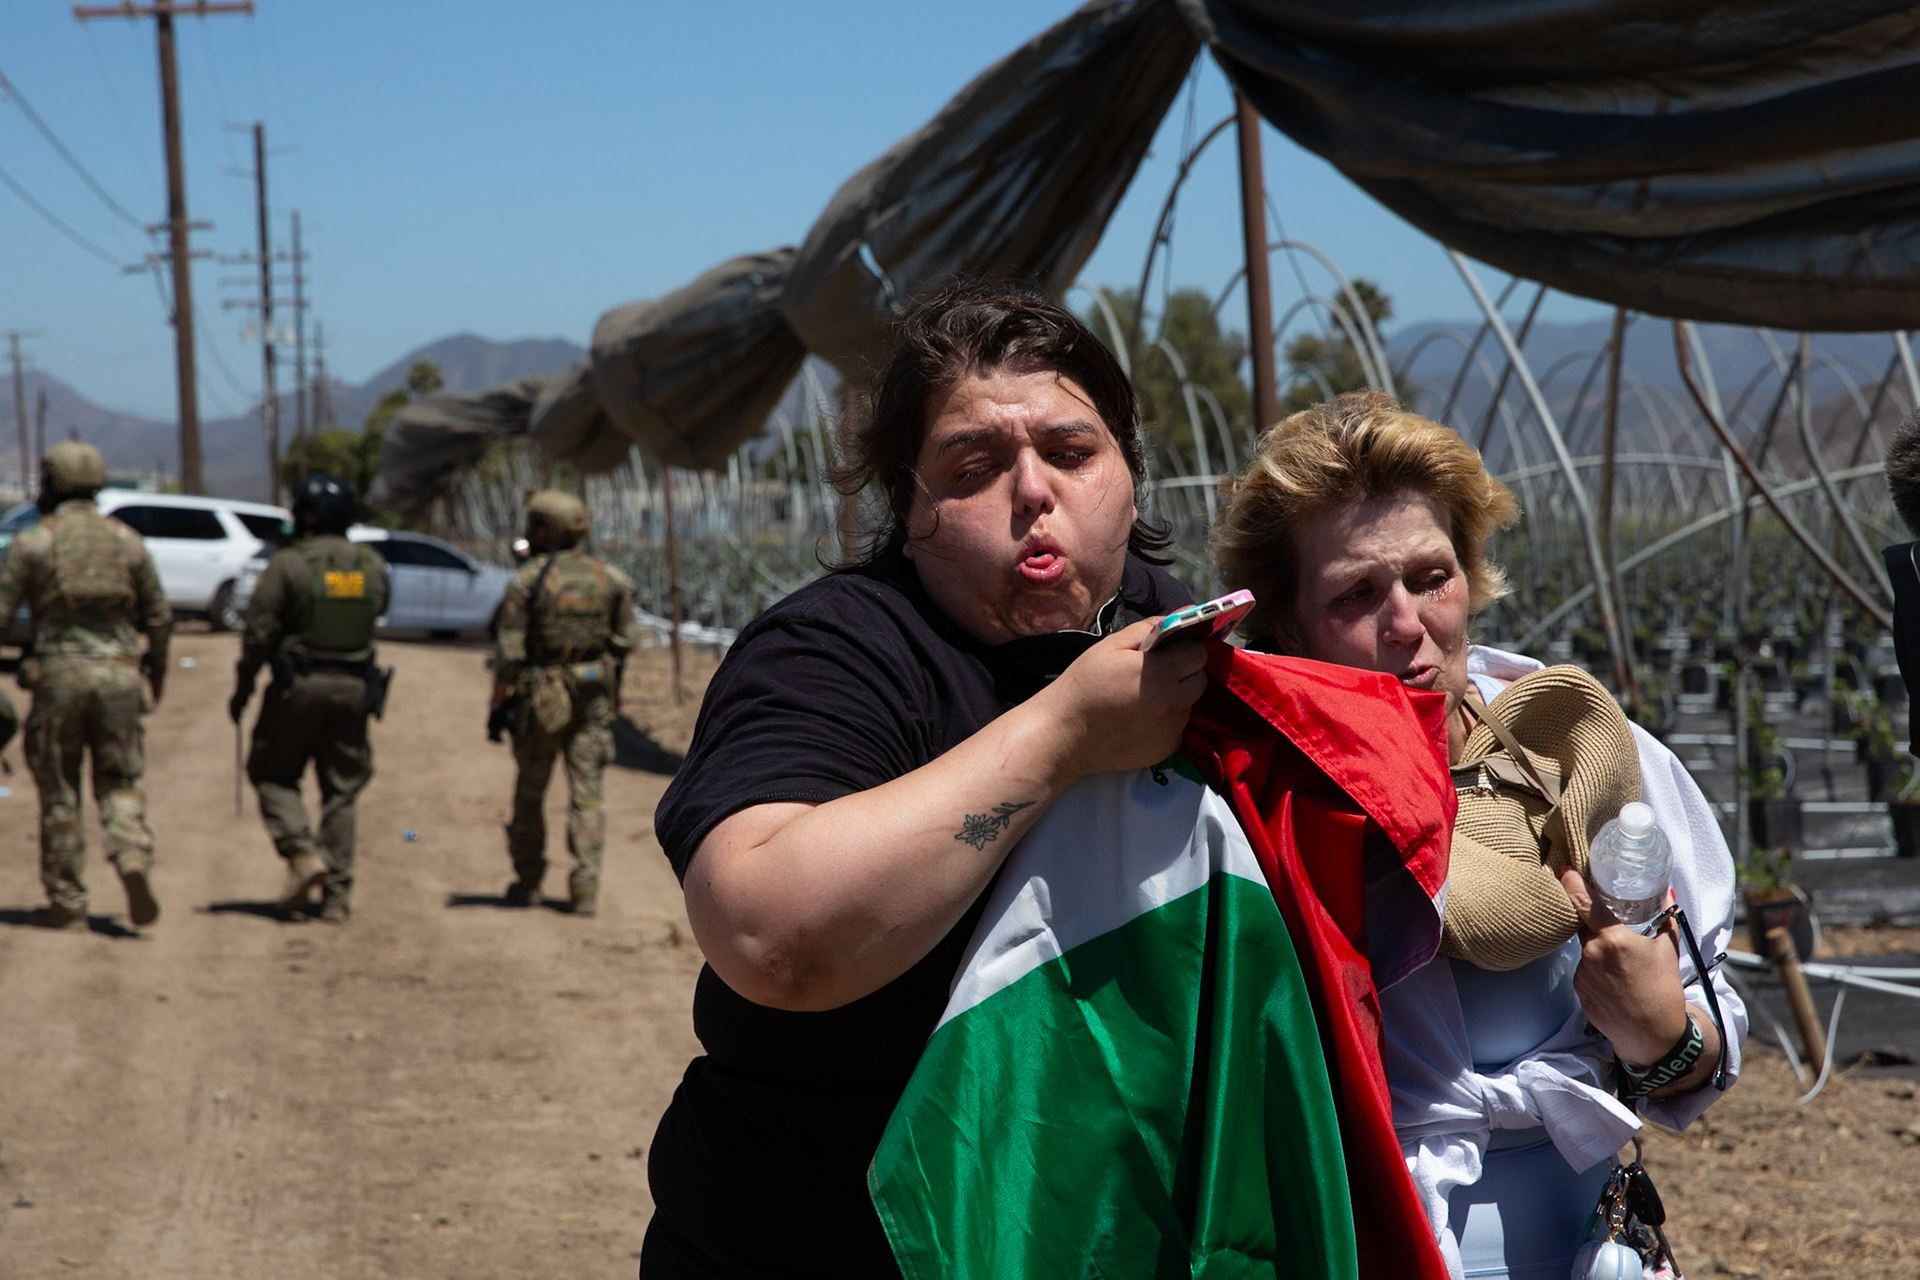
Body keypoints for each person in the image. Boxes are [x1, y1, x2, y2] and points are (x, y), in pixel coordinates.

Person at [642, 281, 1206, 1277]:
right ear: (909, 505)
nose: (1033, 491)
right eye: (974, 466)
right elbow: (773, 936)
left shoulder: (1195, 643)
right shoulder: (835, 652)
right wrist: (1065, 731)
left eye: (1072, 452)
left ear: (1129, 474)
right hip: (828, 1238)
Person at [1212, 392, 1747, 1280]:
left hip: (1582, 1241)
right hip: (1364, 1240)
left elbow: (1710, 1034)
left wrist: (1662, 1036)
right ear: (1287, 622)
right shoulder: (1253, 801)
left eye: (1432, 577)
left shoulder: (1579, 748)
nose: (1408, 625)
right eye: (1356, 593)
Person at [0, 441, 171, 929]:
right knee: (120, 782)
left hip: (58, 678)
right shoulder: (128, 542)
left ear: (51, 482)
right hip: (120, 677)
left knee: (60, 791)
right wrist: (156, 673)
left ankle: (68, 902)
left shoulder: (34, 542)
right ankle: (131, 857)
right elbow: (160, 617)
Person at [230, 472, 389, 924]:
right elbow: (377, 608)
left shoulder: (289, 564)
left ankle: (302, 854)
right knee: (342, 791)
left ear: (307, 515)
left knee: (272, 774)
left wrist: (243, 689)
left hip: (298, 686)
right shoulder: (372, 565)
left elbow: (259, 632)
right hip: (355, 688)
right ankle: (336, 899)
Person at [490, 489, 638, 916]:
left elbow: (509, 655)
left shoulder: (526, 581)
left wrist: (498, 705)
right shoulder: (610, 578)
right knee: (588, 797)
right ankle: (585, 890)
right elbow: (627, 639)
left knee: (530, 793)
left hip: (541, 704)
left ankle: (528, 883)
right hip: (593, 700)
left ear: (542, 530)